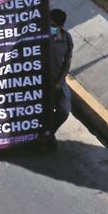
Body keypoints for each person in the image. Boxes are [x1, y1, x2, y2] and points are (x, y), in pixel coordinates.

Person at [40, 8, 73, 151]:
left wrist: (60, 82)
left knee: (64, 111)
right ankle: (43, 137)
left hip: (58, 83)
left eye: (53, 26)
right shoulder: (39, 36)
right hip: (41, 83)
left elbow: (68, 60)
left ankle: (49, 133)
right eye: (49, 24)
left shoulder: (66, 38)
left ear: (61, 27)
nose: (50, 27)